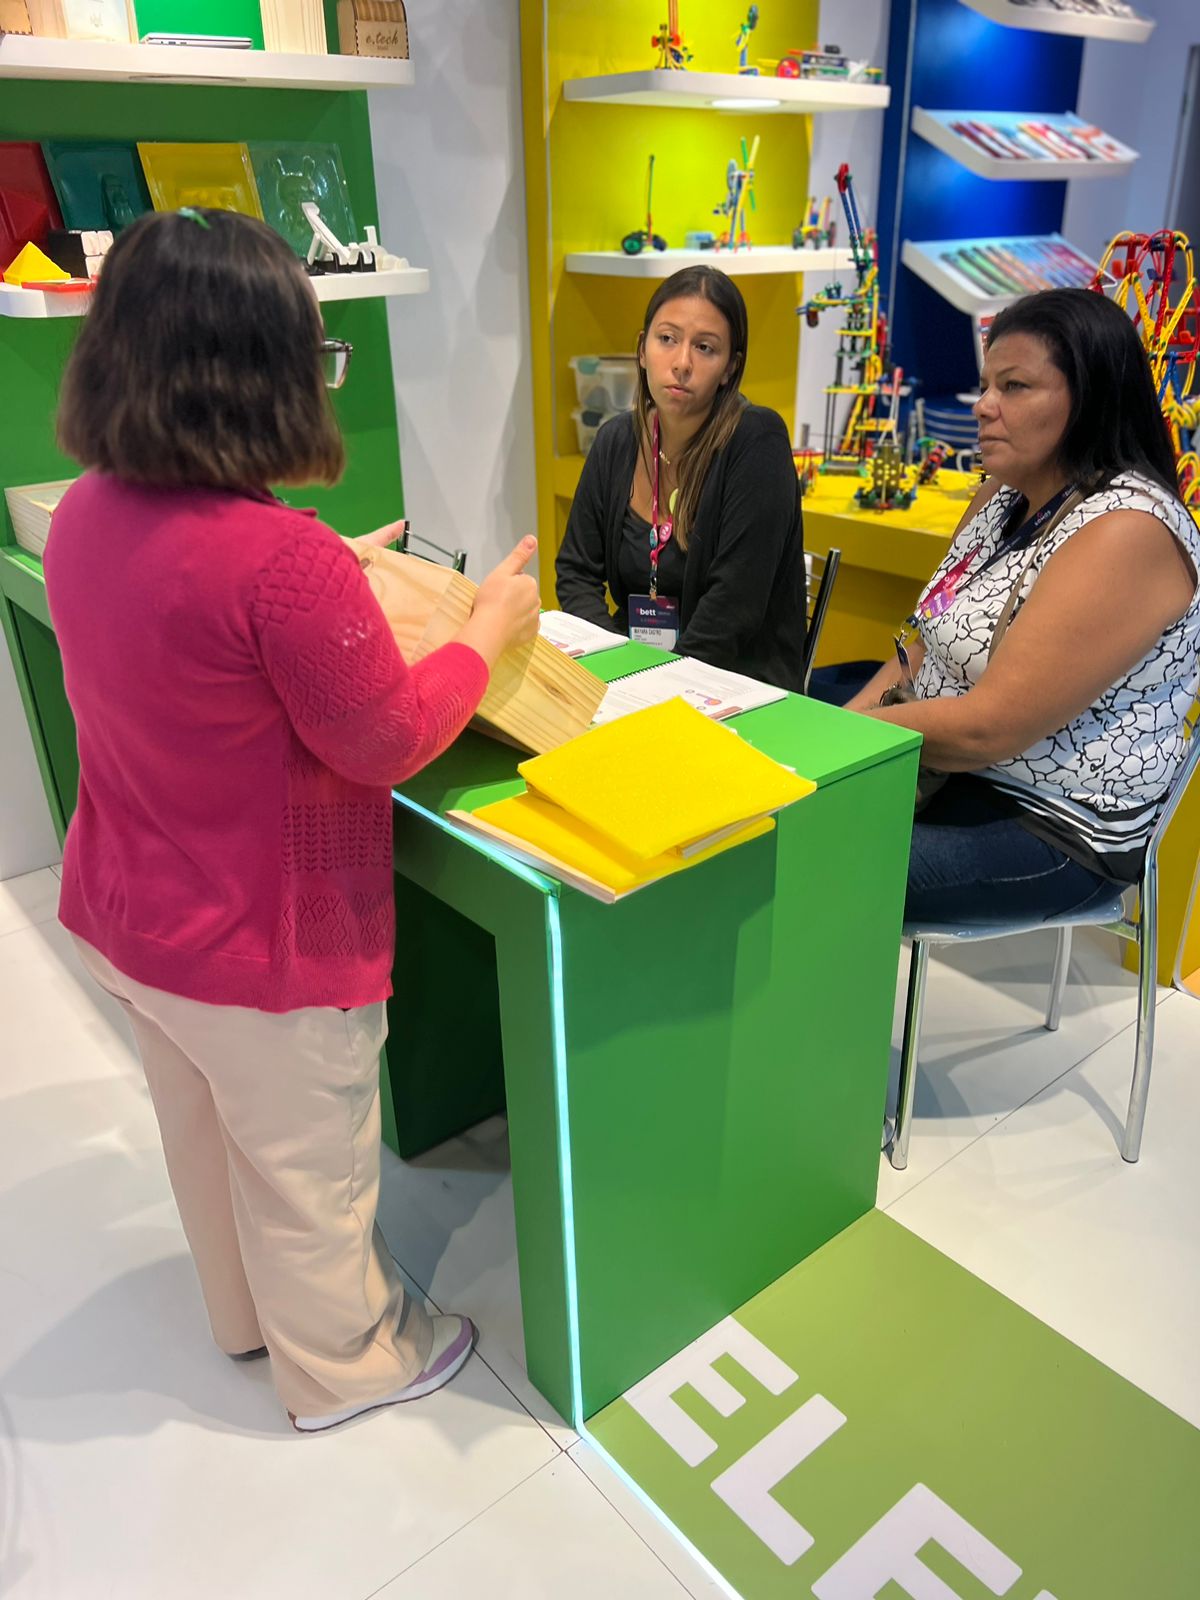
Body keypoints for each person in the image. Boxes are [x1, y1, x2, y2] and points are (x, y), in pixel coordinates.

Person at [43, 208, 541, 1432]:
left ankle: (240, 1322)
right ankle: (348, 1364)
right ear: (253, 369)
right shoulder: (280, 565)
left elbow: (197, 643)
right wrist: (487, 633)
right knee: (309, 1174)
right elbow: (381, 737)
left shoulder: (86, 511)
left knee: (203, 1139)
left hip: (135, 919)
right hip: (262, 943)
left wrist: (334, 567)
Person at [845, 288, 1200, 923]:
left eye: (1014, 387)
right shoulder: (1001, 498)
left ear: (1089, 398)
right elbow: (916, 648)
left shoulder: (1131, 529)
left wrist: (839, 744)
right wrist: (841, 728)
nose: (983, 407)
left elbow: (992, 728)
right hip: (950, 773)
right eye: (987, 385)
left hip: (1054, 826)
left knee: (799, 853)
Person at [555, 265, 807, 691]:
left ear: (730, 367)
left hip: (737, 686)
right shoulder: (616, 440)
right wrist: (612, 663)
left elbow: (733, 609)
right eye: (667, 339)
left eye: (706, 348)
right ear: (642, 349)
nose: (682, 363)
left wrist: (652, 686)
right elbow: (576, 572)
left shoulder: (756, 441)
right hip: (631, 673)